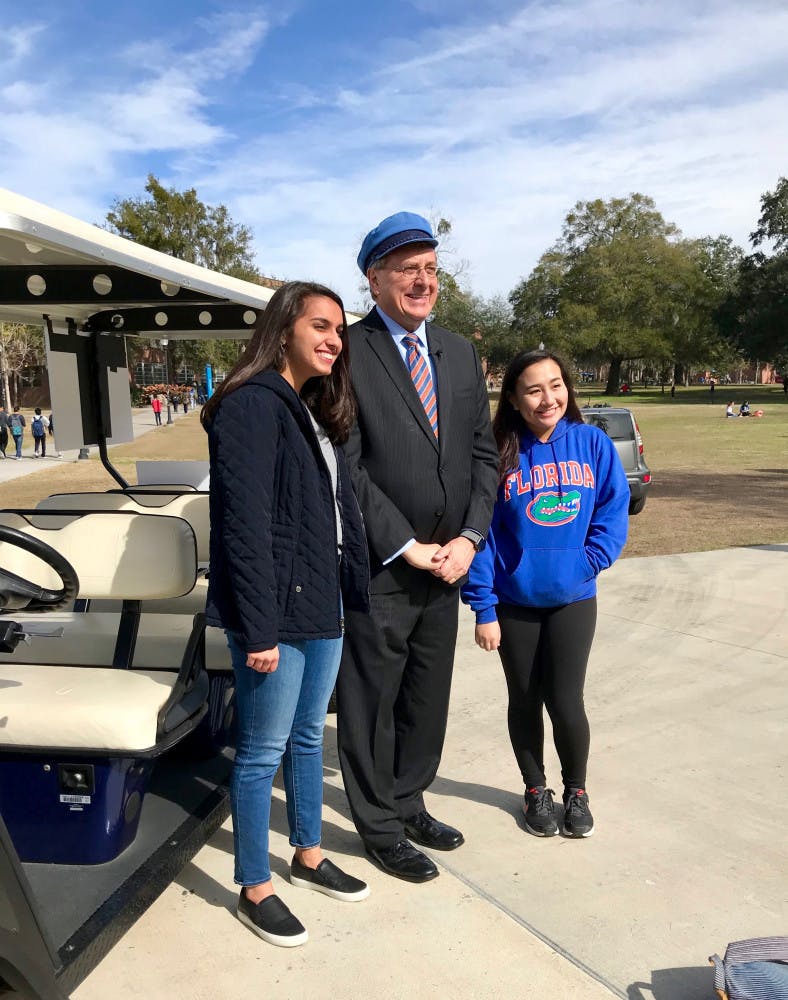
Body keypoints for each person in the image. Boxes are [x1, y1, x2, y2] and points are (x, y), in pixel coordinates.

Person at [201, 281, 371, 948]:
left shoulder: (305, 408)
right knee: (261, 752)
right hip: (277, 613)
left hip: (320, 601)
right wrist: (259, 629)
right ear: (284, 330)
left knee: (306, 739)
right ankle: (254, 885)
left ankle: (305, 852)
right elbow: (243, 528)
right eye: (321, 326)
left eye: (340, 331)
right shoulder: (251, 405)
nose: (334, 339)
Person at [337, 212, 498, 883]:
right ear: (375, 279)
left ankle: (409, 800)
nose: (423, 280)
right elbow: (349, 466)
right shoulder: (348, 351)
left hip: (448, 566)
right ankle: (377, 825)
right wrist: (404, 545)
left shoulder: (459, 353)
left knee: (426, 699)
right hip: (384, 568)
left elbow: (484, 457)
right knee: (372, 703)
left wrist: (467, 539)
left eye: (431, 268)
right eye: (408, 269)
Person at [462, 349, 629, 840]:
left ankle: (576, 790)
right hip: (514, 603)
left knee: (566, 699)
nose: (547, 398)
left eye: (556, 385)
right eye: (533, 389)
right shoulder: (498, 453)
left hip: (573, 599)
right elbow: (482, 537)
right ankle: (536, 790)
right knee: (524, 698)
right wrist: (484, 608)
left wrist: (584, 564)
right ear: (513, 398)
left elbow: (612, 514)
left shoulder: (592, 444)